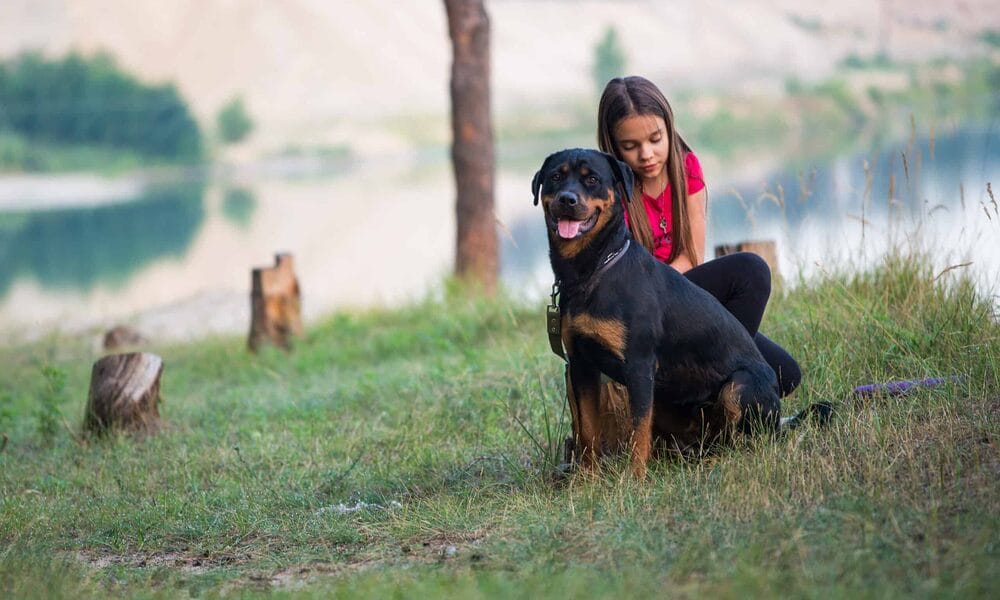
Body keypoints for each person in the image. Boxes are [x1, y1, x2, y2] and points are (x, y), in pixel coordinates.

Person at [597, 75, 800, 396]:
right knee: (751, 270)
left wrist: (685, 299)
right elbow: (628, 282)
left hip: (681, 294)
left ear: (669, 127)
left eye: (655, 139)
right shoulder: (613, 189)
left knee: (785, 375)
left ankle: (711, 380)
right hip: (642, 313)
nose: (647, 154)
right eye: (630, 146)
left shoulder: (686, 167)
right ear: (613, 145)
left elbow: (692, 256)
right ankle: (704, 391)